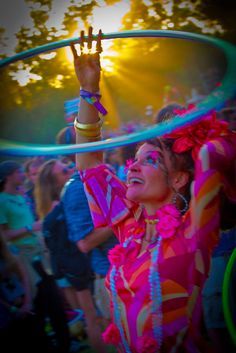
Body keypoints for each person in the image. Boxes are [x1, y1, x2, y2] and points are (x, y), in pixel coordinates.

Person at [69, 28, 236, 353]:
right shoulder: (128, 231)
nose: (132, 166)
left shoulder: (195, 233)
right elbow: (89, 165)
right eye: (134, 159)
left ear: (179, 180)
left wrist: (192, 131)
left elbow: (212, 153)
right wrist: (89, 89)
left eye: (151, 160)